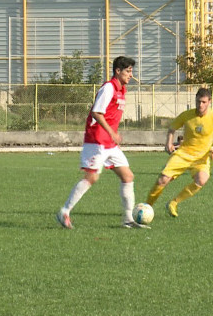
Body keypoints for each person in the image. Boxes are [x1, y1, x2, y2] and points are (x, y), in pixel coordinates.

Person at [56, 56, 146, 229]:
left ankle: (128, 219)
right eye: (128, 71)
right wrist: (112, 132)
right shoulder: (108, 88)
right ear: (117, 71)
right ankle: (65, 211)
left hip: (109, 143)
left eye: (131, 71)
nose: (131, 75)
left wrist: (112, 135)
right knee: (92, 177)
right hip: (96, 140)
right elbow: (97, 112)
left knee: (128, 176)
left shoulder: (122, 89)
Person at [145, 87, 213, 218]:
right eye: (198, 101)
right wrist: (169, 143)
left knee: (202, 180)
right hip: (183, 154)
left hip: (201, 158)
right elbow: (172, 129)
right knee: (162, 180)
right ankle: (146, 207)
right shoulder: (186, 115)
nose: (200, 105)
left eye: (204, 102)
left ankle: (174, 203)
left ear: (209, 102)